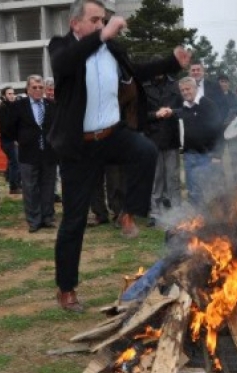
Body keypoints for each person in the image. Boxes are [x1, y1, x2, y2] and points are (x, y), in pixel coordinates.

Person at [47, 0, 191, 312]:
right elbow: (63, 65)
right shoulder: (61, 46)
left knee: (145, 151)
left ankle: (128, 212)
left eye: (104, 20)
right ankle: (66, 289)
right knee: (73, 220)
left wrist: (171, 62)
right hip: (78, 146)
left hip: (111, 134)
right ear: (77, 24)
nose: (102, 25)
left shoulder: (112, 50)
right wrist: (100, 36)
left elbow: (138, 70)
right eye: (95, 20)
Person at [0, 75, 58, 233]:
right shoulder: (19, 105)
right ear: (28, 89)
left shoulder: (51, 105)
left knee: (48, 186)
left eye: (40, 87)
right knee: (30, 188)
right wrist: (18, 139)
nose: (38, 90)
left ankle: (48, 217)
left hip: (49, 153)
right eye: (34, 87)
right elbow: (9, 127)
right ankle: (34, 220)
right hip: (28, 153)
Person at [160, 77, 221, 205]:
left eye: (188, 89)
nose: (185, 92)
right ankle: (196, 219)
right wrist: (170, 111)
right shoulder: (185, 106)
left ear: (196, 88)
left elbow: (218, 131)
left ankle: (209, 219)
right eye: (182, 90)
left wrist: (217, 155)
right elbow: (181, 112)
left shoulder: (208, 104)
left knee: (206, 189)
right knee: (192, 190)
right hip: (188, 155)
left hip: (206, 155)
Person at [144, 72, 182, 226]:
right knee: (156, 179)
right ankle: (155, 213)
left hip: (171, 139)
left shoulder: (175, 85)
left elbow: (184, 108)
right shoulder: (145, 87)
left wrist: (172, 112)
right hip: (153, 139)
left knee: (173, 178)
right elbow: (141, 114)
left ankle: (177, 212)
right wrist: (156, 114)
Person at [0, 86, 22, 194]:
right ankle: (14, 187)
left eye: (13, 93)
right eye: (9, 94)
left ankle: (13, 181)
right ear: (4, 96)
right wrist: (15, 138)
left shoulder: (11, 106)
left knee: (13, 162)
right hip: (8, 140)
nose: (12, 96)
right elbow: (5, 127)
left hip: (11, 140)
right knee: (15, 163)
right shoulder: (3, 108)